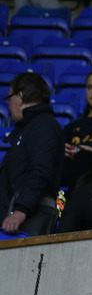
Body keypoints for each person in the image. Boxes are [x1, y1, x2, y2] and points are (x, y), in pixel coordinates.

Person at [1, 73, 62, 236]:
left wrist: (21, 210)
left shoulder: (43, 125)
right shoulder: (28, 127)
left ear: (20, 96)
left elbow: (41, 171)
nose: (8, 104)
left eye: (9, 98)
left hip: (31, 217)